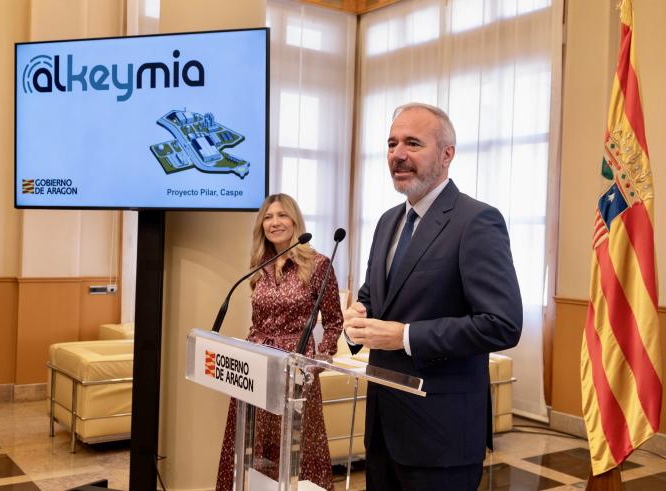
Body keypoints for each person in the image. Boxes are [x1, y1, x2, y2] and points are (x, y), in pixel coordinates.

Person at [343, 102, 522, 490]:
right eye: (392, 144)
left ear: (446, 154)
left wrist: (405, 336)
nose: (398, 155)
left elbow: (501, 324)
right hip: (382, 432)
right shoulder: (388, 221)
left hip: (441, 436)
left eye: (412, 143)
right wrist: (356, 319)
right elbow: (375, 298)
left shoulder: (476, 221)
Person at [215, 193, 343, 491]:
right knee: (252, 446)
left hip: (296, 371)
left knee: (294, 449)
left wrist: (319, 361)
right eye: (268, 217)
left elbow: (335, 322)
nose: (275, 223)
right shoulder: (260, 265)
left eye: (282, 215)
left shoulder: (318, 264)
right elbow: (257, 322)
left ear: (295, 220)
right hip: (255, 368)